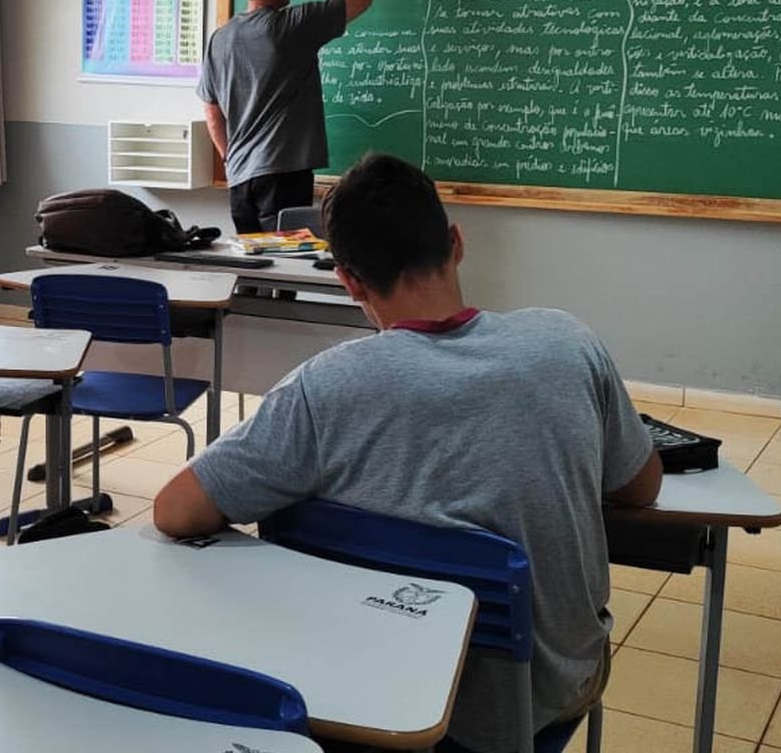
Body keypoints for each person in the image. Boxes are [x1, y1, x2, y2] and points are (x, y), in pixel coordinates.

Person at [152, 153, 662, 753]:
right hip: (535, 701)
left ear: (349, 281)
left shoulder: (321, 389)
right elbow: (641, 486)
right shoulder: (568, 345)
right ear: (457, 243)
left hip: (363, 699)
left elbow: (174, 511)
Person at [198, 0, 381, 234]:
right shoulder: (290, 27)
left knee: (253, 272)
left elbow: (211, 110)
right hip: (282, 176)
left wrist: (231, 157)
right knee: (285, 269)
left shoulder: (219, 39)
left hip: (240, 179)